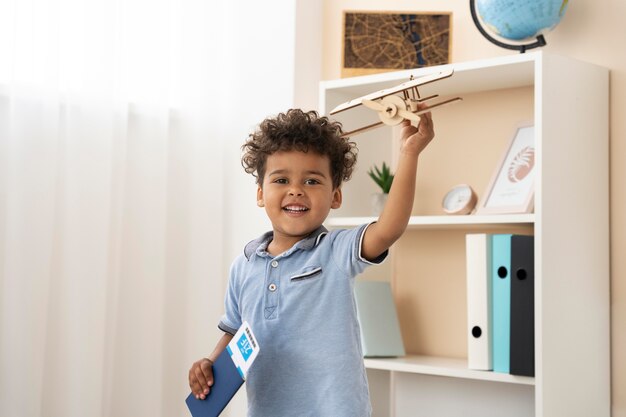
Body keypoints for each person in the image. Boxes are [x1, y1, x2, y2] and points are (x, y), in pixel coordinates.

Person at [188, 106, 434, 416]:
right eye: (281, 180)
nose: (295, 190)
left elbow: (388, 229)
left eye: (312, 182)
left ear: (335, 196)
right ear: (261, 193)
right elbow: (235, 333)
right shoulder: (244, 266)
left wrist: (409, 154)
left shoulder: (336, 251)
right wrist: (210, 363)